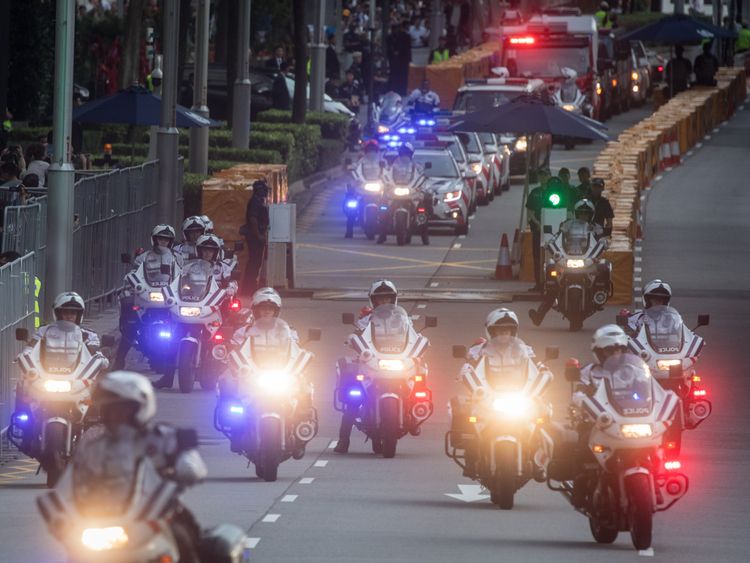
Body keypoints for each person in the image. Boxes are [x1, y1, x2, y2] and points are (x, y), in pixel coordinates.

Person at [72, 371, 207, 561]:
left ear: (141, 408)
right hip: (105, 514)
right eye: (111, 410)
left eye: (123, 410)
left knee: (184, 538)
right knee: (76, 552)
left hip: (156, 511)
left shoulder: (163, 437)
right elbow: (77, 474)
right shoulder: (93, 443)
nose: (117, 416)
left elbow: (194, 466)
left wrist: (186, 469)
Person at [334, 279, 401, 453]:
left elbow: (413, 337)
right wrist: (352, 339)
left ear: (393, 300)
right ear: (373, 300)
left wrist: (420, 345)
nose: (384, 303)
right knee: (354, 397)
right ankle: (343, 440)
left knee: (419, 378)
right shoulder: (366, 320)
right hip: (371, 363)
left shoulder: (403, 320)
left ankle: (416, 410)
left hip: (397, 362)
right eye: (380, 299)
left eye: (387, 299)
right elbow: (355, 335)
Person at [16, 292, 101, 412]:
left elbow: (95, 353)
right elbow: (31, 348)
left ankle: (92, 409)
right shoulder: (44, 331)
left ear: (79, 314)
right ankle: (21, 419)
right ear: (58, 313)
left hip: (75, 375)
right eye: (65, 312)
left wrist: (101, 357)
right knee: (23, 383)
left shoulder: (88, 335)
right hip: (46, 373)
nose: (69, 316)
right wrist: (25, 355)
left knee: (98, 382)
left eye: (73, 312)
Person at [114, 224, 183, 372]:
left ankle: (184, 357)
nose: (163, 242)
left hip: (169, 296)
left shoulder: (177, 258)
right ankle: (119, 361)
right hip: (147, 295)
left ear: (171, 241)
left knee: (183, 324)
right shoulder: (143, 258)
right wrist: (133, 283)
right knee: (131, 326)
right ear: (154, 239)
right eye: (160, 239)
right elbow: (133, 274)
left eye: (166, 240)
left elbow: (182, 275)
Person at [528, 199, 604, 326]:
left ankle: (599, 295)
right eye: (581, 213)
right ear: (576, 214)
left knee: (604, 266)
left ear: (591, 215)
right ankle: (539, 315)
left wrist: (603, 244)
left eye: (586, 214)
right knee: (552, 273)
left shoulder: (596, 228)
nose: (583, 216)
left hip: (586, 259)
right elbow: (557, 237)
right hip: (568, 258)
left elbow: (602, 241)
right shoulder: (566, 225)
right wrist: (551, 243)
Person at [242, 180, 270, 296]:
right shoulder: (255, 202)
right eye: (264, 190)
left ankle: (250, 286)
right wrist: (258, 235)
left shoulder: (259, 201)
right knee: (254, 262)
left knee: (256, 262)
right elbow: (253, 219)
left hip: (258, 236)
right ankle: (248, 288)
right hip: (254, 237)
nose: (266, 192)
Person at [387, 21, 412, 95]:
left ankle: (402, 91)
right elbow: (388, 48)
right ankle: (395, 90)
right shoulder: (389, 37)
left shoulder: (406, 36)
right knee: (394, 75)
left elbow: (407, 48)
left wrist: (409, 59)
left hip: (403, 59)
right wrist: (393, 52)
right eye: (393, 28)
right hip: (394, 59)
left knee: (403, 76)